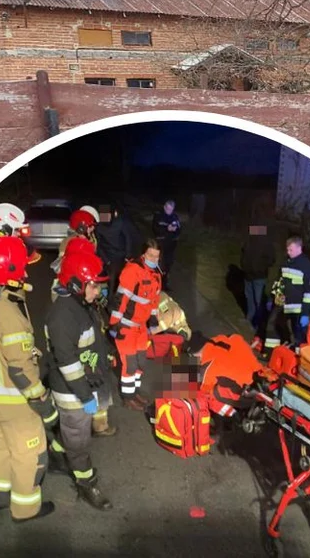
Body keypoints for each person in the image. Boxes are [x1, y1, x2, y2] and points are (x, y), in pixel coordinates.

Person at [0, 236, 58, 522]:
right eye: (22, 268)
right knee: (30, 456)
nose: (26, 274)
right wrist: (41, 400)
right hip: (17, 404)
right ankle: (25, 508)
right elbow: (20, 369)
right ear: (8, 272)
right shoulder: (9, 316)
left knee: (4, 450)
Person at [43, 249, 114, 510]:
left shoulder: (79, 305)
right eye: (94, 286)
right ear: (75, 284)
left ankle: (59, 454)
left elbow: (87, 347)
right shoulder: (63, 316)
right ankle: (86, 484)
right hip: (73, 393)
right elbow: (69, 363)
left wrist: (103, 359)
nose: (98, 292)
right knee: (79, 443)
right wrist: (85, 397)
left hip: (84, 385)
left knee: (75, 439)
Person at [109, 240, 164, 408]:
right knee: (130, 364)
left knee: (141, 362)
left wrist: (153, 317)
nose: (154, 259)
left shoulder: (155, 275)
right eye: (150, 255)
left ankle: (135, 392)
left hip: (141, 327)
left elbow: (153, 299)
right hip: (126, 325)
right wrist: (114, 323)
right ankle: (128, 398)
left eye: (157, 256)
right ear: (143, 254)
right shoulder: (133, 271)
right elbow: (121, 299)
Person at [272, 235, 310, 349]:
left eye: (291, 250)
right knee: (277, 324)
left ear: (299, 248)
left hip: (299, 309)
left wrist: (305, 313)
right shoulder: (286, 263)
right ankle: (287, 344)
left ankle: (299, 356)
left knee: (300, 335)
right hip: (285, 304)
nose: (288, 252)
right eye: (287, 250)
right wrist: (274, 296)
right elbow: (280, 281)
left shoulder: (307, 267)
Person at [240, 224, 276, 332]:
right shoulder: (249, 241)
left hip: (259, 277)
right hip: (248, 275)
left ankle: (257, 325)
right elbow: (243, 254)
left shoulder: (267, 243)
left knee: (259, 301)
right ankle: (249, 318)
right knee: (249, 298)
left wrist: (260, 267)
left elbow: (272, 259)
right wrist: (243, 265)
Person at [152, 200, 182, 289]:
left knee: (168, 265)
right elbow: (155, 229)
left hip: (171, 245)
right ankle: (155, 283)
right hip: (161, 244)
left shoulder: (175, 217)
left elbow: (179, 230)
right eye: (168, 209)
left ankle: (164, 284)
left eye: (171, 209)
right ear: (165, 207)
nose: (169, 211)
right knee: (159, 264)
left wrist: (175, 230)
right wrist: (166, 229)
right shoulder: (158, 215)